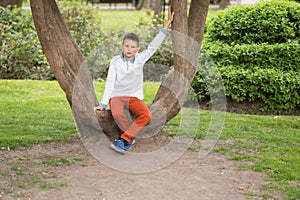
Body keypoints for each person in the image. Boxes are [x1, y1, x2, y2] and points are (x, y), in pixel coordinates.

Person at [95, 6, 174, 154]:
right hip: (117, 96)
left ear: (137, 49)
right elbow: (110, 82)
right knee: (118, 114)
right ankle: (128, 139)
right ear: (122, 46)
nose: (129, 49)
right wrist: (103, 104)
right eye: (126, 46)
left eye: (132, 47)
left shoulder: (140, 59)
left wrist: (167, 25)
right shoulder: (115, 62)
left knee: (146, 115)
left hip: (133, 97)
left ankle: (124, 140)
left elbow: (153, 47)